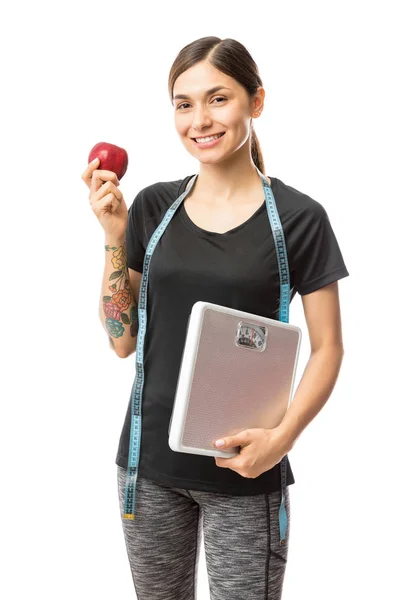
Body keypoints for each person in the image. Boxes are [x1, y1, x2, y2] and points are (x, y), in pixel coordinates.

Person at [82, 36, 349, 600]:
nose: (199, 120)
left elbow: (328, 349)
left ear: (255, 102)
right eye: (183, 104)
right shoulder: (152, 208)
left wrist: (282, 439)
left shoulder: (300, 219)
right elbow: (121, 339)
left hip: (248, 471)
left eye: (218, 99)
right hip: (146, 467)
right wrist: (112, 238)